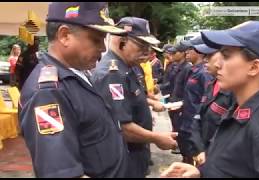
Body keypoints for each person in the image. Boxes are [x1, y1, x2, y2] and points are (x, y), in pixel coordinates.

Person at [161, 21, 259, 178]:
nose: (217, 63)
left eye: (226, 55)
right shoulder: (238, 110)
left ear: (254, 67)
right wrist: (201, 173)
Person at [18, 2, 129, 178]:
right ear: (65, 35)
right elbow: (62, 173)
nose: (103, 48)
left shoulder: (78, 74)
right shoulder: (47, 93)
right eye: (96, 39)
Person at [91, 17, 177, 178]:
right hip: (124, 156)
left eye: (148, 46)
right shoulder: (113, 74)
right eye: (141, 45)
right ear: (121, 41)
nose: (147, 52)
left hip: (135, 153)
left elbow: (131, 101)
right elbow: (121, 127)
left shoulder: (127, 68)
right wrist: (157, 138)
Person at [177, 37, 214, 165]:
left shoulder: (204, 73)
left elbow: (207, 99)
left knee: (196, 160)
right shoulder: (193, 70)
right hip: (187, 122)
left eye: (190, 49)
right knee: (188, 155)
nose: (187, 52)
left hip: (195, 124)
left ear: (199, 51)